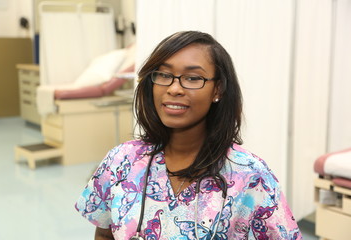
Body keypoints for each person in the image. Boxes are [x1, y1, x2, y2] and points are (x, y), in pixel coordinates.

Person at [75, 31, 302, 240]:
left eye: (193, 78)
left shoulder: (251, 176)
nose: (174, 88)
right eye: (164, 75)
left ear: (218, 90)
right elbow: (104, 235)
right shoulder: (121, 160)